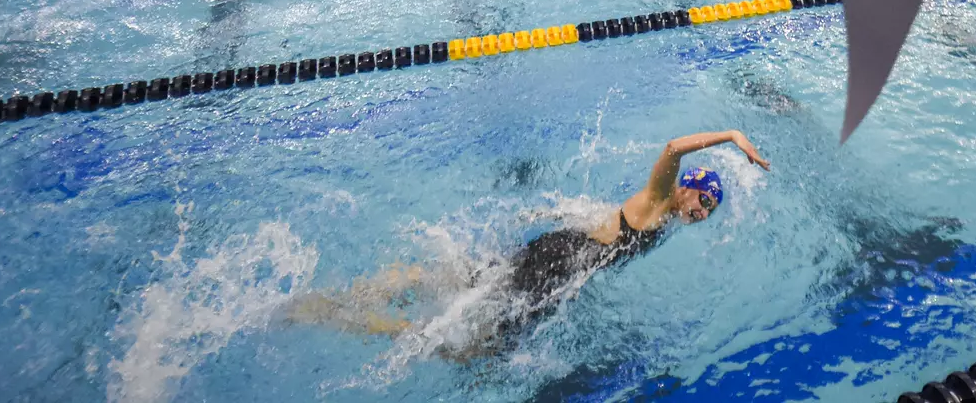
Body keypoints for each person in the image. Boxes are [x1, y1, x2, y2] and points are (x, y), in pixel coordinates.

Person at [285, 129, 767, 341]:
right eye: (704, 200)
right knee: (469, 345)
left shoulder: (666, 217)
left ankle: (360, 294)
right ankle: (334, 316)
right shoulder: (661, 198)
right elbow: (672, 146)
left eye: (712, 209)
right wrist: (729, 135)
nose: (705, 212)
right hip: (557, 265)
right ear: (688, 189)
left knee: (464, 284)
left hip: (559, 256)